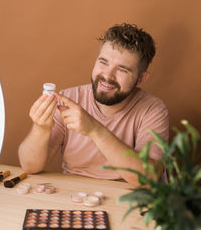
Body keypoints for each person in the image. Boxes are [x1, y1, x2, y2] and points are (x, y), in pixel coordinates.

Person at [18, 23, 169, 185]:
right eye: (103, 62)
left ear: (141, 78)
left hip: (126, 200)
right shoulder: (68, 98)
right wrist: (41, 128)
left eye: (122, 70)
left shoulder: (153, 109)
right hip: (74, 197)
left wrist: (94, 129)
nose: (108, 76)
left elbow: (148, 178)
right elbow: (29, 166)